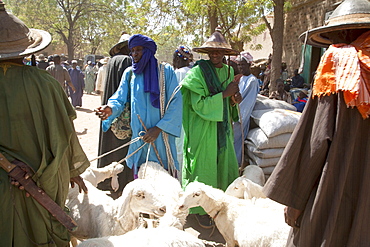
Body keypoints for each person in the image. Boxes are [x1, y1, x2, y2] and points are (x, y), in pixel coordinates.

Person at [263, 0, 370, 246]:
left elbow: (315, 139)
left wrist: (295, 200)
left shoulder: (339, 64)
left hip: (339, 188)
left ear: (343, 33)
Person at [0, 2, 89, 246]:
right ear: (27, 49)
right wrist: (71, 170)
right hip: (37, 186)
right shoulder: (45, 83)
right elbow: (65, 136)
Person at [95, 34, 182, 179]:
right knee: (141, 181)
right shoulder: (129, 74)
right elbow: (119, 98)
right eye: (132, 50)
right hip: (139, 137)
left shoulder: (165, 72)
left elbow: (176, 102)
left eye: (138, 50)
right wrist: (109, 109)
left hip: (161, 137)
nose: (134, 54)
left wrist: (159, 128)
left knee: (163, 181)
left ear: (148, 50)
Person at [180, 29, 241, 226]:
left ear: (225, 53)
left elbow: (230, 102)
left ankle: (219, 205)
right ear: (206, 53)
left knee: (223, 164)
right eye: (211, 52)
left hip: (222, 127)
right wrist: (224, 94)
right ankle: (198, 209)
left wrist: (234, 99)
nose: (215, 55)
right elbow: (198, 105)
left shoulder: (230, 71)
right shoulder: (197, 72)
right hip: (203, 126)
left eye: (218, 52)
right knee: (202, 165)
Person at [96, 32, 133, 196]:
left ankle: (105, 182)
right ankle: (121, 184)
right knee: (121, 149)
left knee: (108, 146)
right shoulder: (127, 61)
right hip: (121, 111)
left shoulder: (111, 62)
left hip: (109, 108)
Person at [233, 51, 260, 167]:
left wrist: (239, 117)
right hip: (235, 114)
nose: (240, 67)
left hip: (240, 117)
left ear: (249, 65)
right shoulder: (242, 79)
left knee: (237, 142)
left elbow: (248, 102)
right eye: (239, 65)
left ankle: (236, 165)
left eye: (243, 65)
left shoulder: (252, 81)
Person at [172, 45, 193, 175]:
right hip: (192, 116)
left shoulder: (177, 74)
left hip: (178, 118)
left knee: (179, 150)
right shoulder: (193, 73)